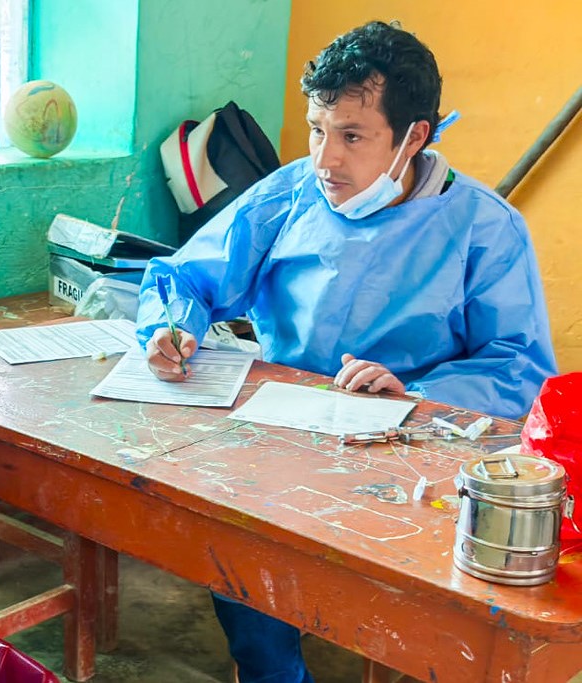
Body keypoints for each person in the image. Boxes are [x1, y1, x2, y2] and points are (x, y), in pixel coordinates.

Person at [136, 21, 557, 683]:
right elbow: (184, 276)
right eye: (316, 129)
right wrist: (173, 324)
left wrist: (416, 393)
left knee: (426, 612)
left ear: (414, 136)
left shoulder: (485, 226)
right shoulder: (289, 193)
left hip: (412, 458)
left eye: (352, 136)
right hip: (280, 436)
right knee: (233, 543)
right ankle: (273, 670)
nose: (325, 159)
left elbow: (520, 368)